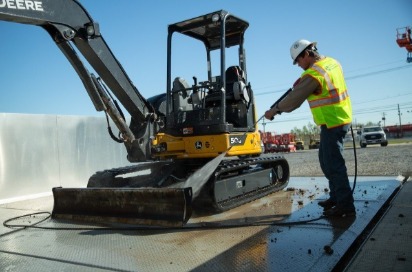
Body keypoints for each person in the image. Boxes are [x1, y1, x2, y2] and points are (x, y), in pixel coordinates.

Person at [264, 39, 355, 217]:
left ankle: (346, 206)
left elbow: (293, 100)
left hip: (333, 122)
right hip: (338, 119)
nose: (298, 65)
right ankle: (336, 197)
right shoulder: (332, 62)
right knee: (325, 160)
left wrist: (274, 111)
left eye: (298, 61)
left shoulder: (314, 74)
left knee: (334, 165)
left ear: (306, 54)